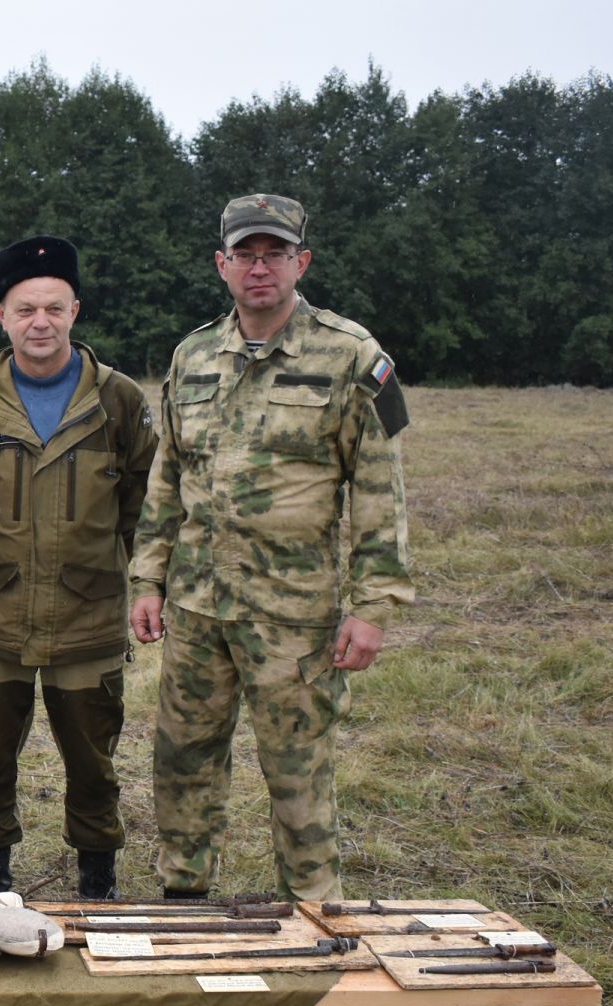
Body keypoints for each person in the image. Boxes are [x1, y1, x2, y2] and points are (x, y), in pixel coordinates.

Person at [130, 193, 414, 902]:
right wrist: (147, 579)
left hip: (292, 615)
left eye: (276, 254)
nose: (261, 268)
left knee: (297, 771)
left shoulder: (353, 356)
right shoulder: (192, 355)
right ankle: (183, 900)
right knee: (183, 763)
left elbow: (379, 490)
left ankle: (314, 914)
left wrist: (374, 605)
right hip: (196, 606)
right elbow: (169, 478)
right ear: (223, 265)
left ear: (301, 262)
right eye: (246, 254)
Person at [0, 236, 158, 901]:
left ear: (76, 311)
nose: (41, 322)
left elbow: (143, 505)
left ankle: (97, 877)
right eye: (25, 308)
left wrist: (130, 576)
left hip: (87, 617)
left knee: (94, 763)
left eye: (54, 308)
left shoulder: (120, 402)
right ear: (0, 316)